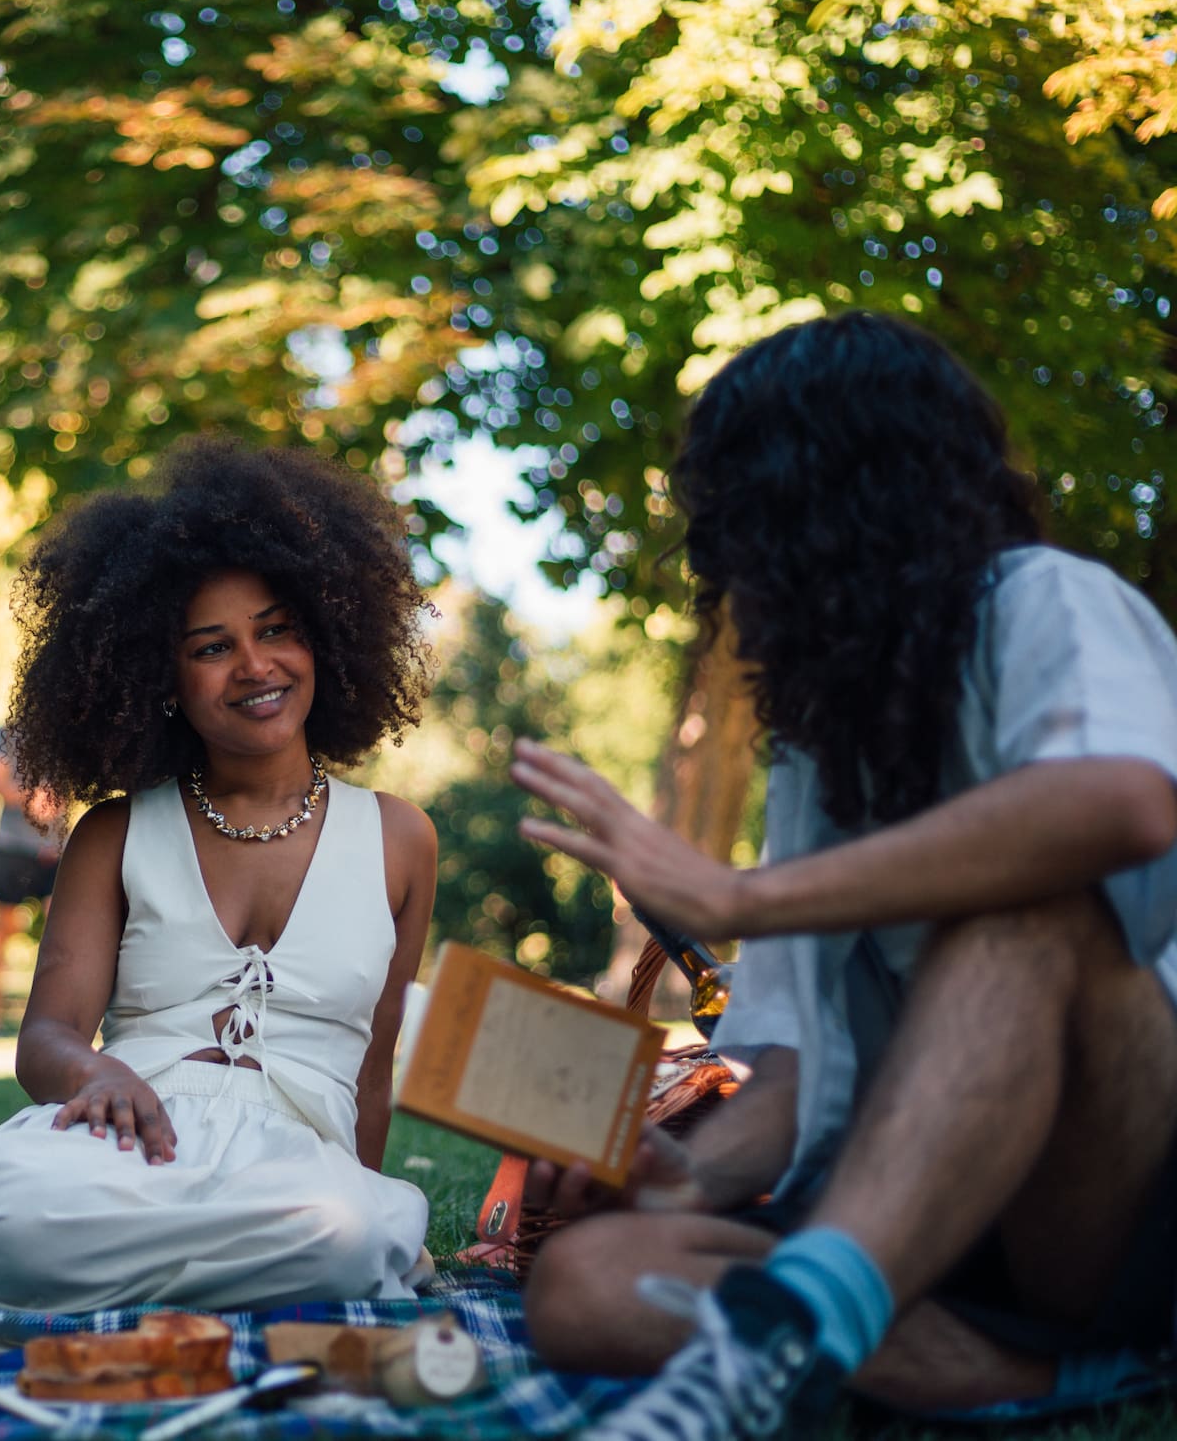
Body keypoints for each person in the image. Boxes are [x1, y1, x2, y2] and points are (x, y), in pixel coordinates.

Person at [504, 312, 1177, 1440]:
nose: (721, 565)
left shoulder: (1041, 601)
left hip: (1111, 1182)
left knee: (1017, 908)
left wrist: (735, 898)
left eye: (736, 519)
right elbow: (795, 1062)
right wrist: (691, 1180)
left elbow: (1117, 803)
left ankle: (795, 1326)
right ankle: (1025, 1371)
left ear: (826, 510)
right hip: (929, 1220)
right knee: (584, 1284)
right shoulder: (822, 742)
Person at [0, 440, 440, 1311]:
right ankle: (239, 1286)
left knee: (343, 1231)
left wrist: (368, 1195)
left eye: (277, 630)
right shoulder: (114, 833)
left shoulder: (399, 838)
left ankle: (163, 1284)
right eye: (212, 647)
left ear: (325, 637)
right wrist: (96, 1078)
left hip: (300, 1176)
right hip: (124, 1139)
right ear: (162, 678)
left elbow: (374, 1067)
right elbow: (46, 1039)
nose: (256, 667)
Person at [0, 728, 62, 1036]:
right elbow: (0, 783)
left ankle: (61, 1018)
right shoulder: (3, 734)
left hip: (52, 850)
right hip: (12, 849)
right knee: (0, 932)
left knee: (63, 932)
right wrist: (33, 799)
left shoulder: (62, 736)